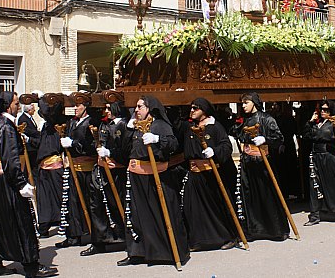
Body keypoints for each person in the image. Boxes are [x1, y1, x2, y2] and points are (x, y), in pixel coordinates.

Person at [0, 92, 57, 278]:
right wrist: (21, 183)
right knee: (22, 220)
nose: (18, 106)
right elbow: (10, 158)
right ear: (8, 106)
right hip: (9, 179)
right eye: (16, 103)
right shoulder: (6, 126)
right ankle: (31, 265)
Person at [118, 95, 190, 267]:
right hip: (136, 177)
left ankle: (167, 252)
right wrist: (128, 131)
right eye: (136, 107)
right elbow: (124, 150)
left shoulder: (160, 125)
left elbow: (173, 144)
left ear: (150, 108)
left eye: (140, 106)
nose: (136, 110)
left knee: (160, 213)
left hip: (155, 176)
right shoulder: (135, 126)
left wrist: (158, 139)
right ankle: (137, 252)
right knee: (135, 215)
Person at [181, 97, 238, 251]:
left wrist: (215, 151)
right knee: (192, 208)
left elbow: (226, 146)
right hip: (194, 173)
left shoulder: (215, 127)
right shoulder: (189, 126)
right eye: (191, 108)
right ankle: (199, 240)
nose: (192, 111)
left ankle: (229, 236)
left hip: (211, 173)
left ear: (204, 111)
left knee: (219, 206)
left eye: (195, 108)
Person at [231, 92, 289, 241]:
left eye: (246, 103)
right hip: (247, 163)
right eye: (242, 103)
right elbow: (236, 133)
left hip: (263, 162)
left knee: (268, 194)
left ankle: (277, 229)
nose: (243, 106)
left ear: (254, 103)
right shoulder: (244, 120)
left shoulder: (267, 119)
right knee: (249, 197)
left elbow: (279, 138)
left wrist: (265, 139)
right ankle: (253, 230)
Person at [81, 101, 129, 257]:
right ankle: (99, 241)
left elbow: (126, 150)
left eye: (109, 108)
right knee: (96, 206)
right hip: (101, 170)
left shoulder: (124, 125)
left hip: (117, 173)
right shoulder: (104, 125)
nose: (106, 111)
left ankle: (125, 238)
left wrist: (111, 153)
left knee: (117, 205)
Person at [57, 95, 96, 248]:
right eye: (74, 105)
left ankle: (92, 233)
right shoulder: (72, 122)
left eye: (78, 105)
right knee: (71, 202)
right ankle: (73, 234)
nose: (75, 108)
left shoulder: (90, 123)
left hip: (86, 170)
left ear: (85, 106)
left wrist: (74, 143)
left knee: (87, 201)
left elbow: (91, 146)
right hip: (72, 167)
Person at [35, 94, 67, 239]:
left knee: (59, 197)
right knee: (44, 199)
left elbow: (47, 112)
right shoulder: (46, 125)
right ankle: (43, 226)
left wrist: (41, 99)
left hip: (55, 166)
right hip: (43, 166)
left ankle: (64, 224)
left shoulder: (57, 121)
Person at [18, 103, 40, 182]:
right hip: (29, 147)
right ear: (29, 110)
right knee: (29, 167)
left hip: (34, 146)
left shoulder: (30, 118)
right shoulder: (23, 119)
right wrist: (39, 133)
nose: (34, 110)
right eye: (33, 108)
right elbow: (28, 131)